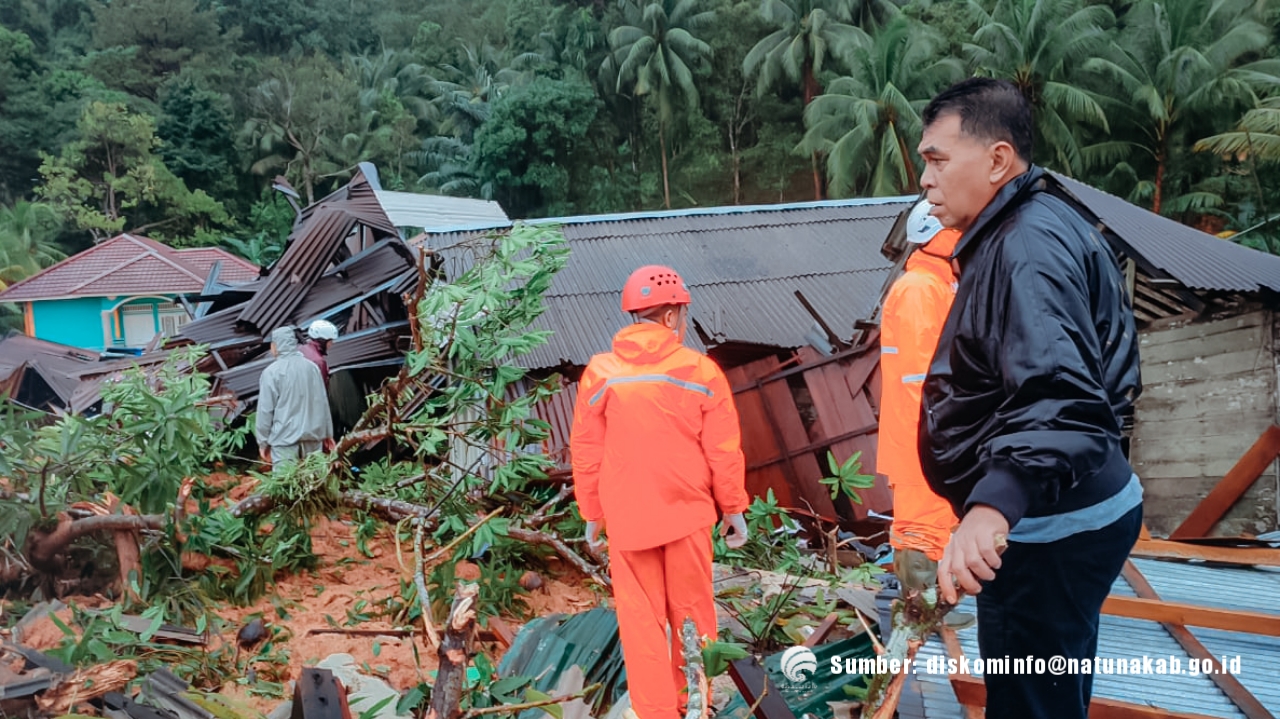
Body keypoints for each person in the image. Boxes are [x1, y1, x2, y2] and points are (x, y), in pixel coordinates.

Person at [916, 77, 1143, 719]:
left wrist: (995, 504)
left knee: (1028, 700)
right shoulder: (1033, 226)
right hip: (1074, 504)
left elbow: (1060, 393)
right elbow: (1107, 370)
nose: (926, 180)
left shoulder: (1025, 249)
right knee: (1053, 687)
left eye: (937, 159)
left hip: (1048, 529)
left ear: (997, 159)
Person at [570, 265, 750, 719]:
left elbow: (586, 451)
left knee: (641, 627)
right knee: (693, 616)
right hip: (686, 517)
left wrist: (591, 512)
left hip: (628, 522)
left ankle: (655, 713)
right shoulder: (700, 370)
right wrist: (733, 508)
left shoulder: (601, 373)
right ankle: (696, 705)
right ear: (671, 316)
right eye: (682, 314)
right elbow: (723, 449)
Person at [877, 200, 962, 595]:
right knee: (922, 535)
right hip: (924, 442)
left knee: (941, 530)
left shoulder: (939, 285)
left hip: (935, 439)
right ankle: (920, 621)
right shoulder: (919, 290)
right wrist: (944, 437)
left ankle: (935, 614)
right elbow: (921, 380)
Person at [256, 326, 336, 469]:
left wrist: (263, 442)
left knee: (285, 486)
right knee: (314, 484)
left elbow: (265, 411)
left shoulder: (271, 373)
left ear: (275, 346)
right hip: (313, 438)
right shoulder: (312, 368)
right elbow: (323, 402)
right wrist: (328, 434)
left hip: (284, 442)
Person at [301, 319, 339, 389]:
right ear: (323, 341)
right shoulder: (319, 362)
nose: (332, 343)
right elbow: (321, 389)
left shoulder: (301, 348)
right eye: (330, 340)